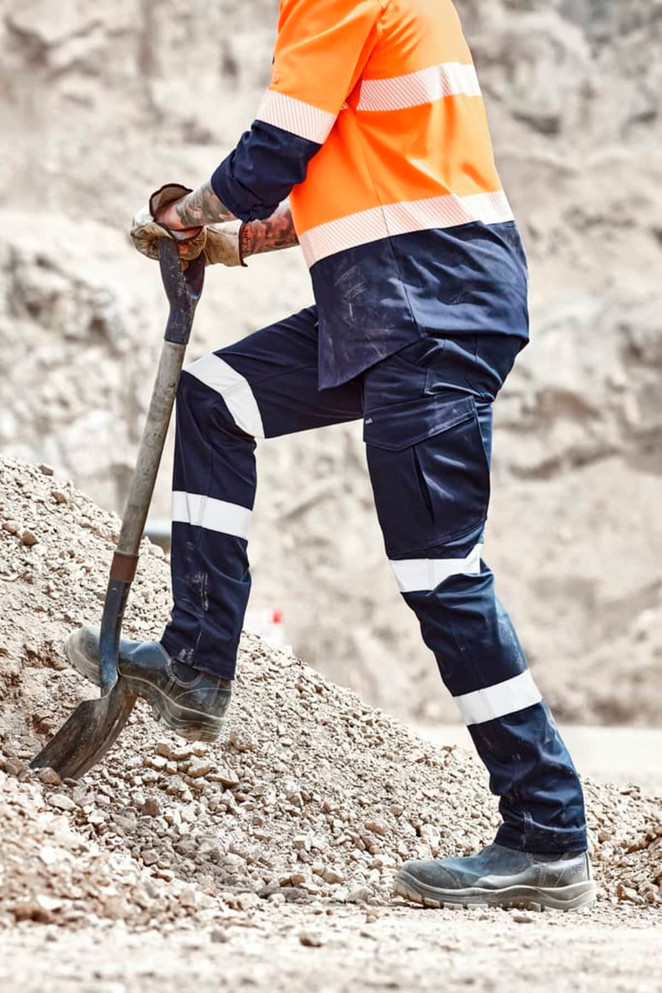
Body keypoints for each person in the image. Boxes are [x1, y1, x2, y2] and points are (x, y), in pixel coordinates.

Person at [67, 0, 595, 910]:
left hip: (431, 301)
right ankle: (197, 660)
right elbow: (346, 180)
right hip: (388, 293)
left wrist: (188, 214)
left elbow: (276, 148)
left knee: (440, 570)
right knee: (216, 398)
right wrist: (231, 241)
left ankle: (546, 830)